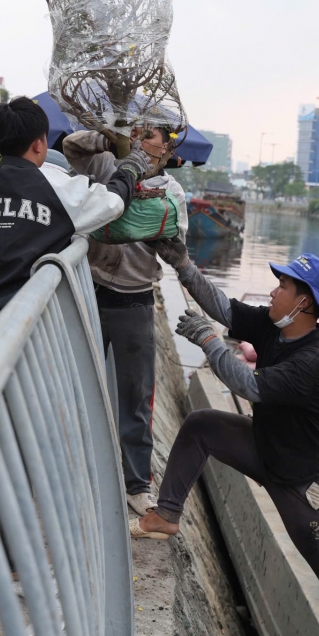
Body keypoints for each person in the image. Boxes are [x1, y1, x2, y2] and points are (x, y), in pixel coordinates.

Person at [136, 243, 319, 636]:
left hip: (301, 479)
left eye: (283, 286)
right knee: (201, 426)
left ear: (303, 302)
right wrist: (183, 264)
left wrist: (208, 341)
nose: (274, 292)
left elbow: (249, 385)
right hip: (263, 446)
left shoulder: (313, 359)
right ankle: (166, 515)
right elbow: (224, 308)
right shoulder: (274, 327)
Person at [62, 126, 188, 517]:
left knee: (136, 398)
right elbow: (71, 147)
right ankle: (67, 471)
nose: (139, 139)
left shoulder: (172, 192)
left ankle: (137, 485)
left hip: (135, 300)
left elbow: (175, 236)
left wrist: (137, 217)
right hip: (91, 290)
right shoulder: (107, 166)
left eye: (149, 134)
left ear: (166, 148)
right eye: (135, 131)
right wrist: (107, 139)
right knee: (75, 385)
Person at [0, 95, 150, 350]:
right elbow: (112, 202)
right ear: (39, 144)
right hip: (27, 332)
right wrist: (130, 170)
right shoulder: (56, 186)